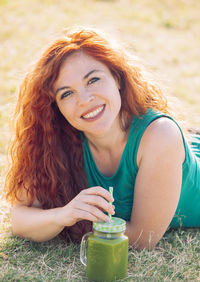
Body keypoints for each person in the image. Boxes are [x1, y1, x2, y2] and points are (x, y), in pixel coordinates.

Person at [4, 27, 200, 250]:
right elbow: (19, 219)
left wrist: (78, 221)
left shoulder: (160, 136)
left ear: (117, 77)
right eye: (67, 93)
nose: (85, 100)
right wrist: (63, 215)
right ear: (56, 106)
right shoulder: (56, 140)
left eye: (93, 80)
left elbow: (141, 239)